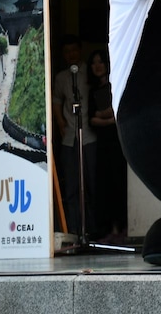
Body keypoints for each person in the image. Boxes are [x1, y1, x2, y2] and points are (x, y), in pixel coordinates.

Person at [51, 34, 97, 237]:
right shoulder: (61, 77)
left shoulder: (90, 71)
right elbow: (56, 101)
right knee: (71, 186)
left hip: (90, 135)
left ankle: (94, 230)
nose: (71, 55)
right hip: (69, 137)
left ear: (80, 50)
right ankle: (74, 230)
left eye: (74, 50)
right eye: (67, 52)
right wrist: (61, 124)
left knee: (93, 185)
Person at [87, 49, 128, 243]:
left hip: (117, 142)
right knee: (104, 185)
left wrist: (102, 115)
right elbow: (91, 120)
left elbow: (115, 115)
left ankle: (121, 227)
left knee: (118, 182)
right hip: (102, 143)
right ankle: (108, 228)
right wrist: (106, 116)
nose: (97, 66)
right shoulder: (91, 89)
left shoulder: (115, 84)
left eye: (100, 62)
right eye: (94, 62)